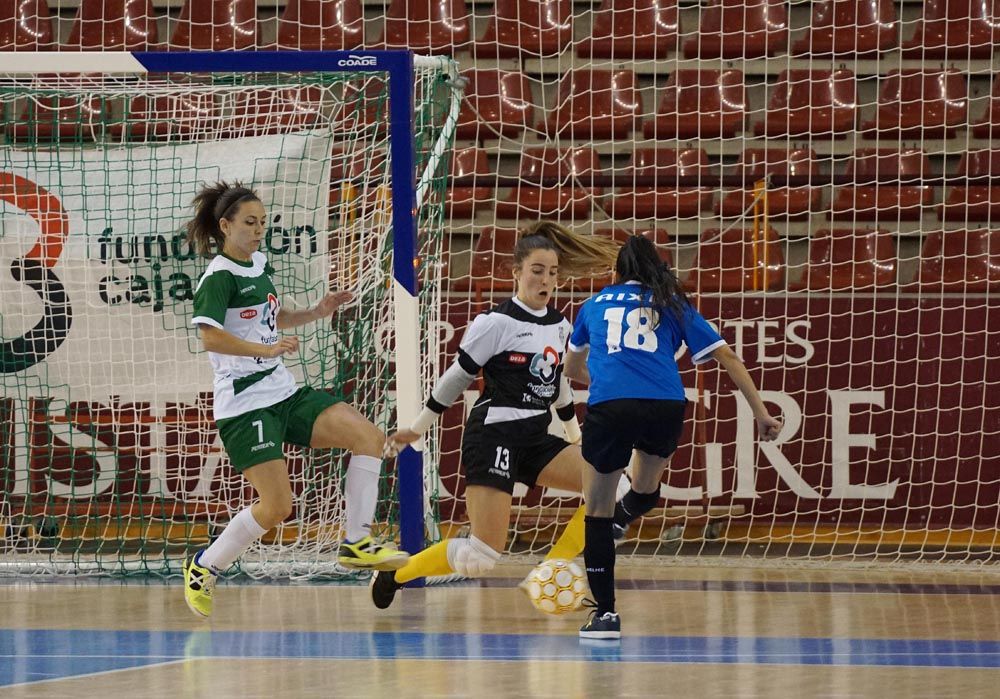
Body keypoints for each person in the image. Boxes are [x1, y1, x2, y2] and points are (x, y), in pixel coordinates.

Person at [182, 181, 407, 619]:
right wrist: (265, 350)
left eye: (263, 223)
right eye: (249, 223)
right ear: (225, 226)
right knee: (278, 507)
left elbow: (271, 315)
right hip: (246, 406)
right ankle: (205, 565)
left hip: (284, 391)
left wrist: (316, 312)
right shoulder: (219, 276)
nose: (258, 230)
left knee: (370, 437)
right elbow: (210, 334)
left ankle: (357, 541)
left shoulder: (258, 264)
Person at [370, 222, 622, 609]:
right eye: (537, 271)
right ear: (516, 272)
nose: (546, 280)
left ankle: (553, 568)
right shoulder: (495, 323)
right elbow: (456, 378)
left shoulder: (561, 326)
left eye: (552, 273)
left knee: (613, 489)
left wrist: (575, 438)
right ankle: (395, 573)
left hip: (537, 438)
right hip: (494, 437)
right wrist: (417, 429)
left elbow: (560, 389)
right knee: (480, 557)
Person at [564, 235, 783, 640]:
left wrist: (611, 380)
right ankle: (625, 517)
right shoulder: (671, 301)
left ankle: (606, 616)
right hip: (665, 405)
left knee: (595, 513)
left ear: (616, 273)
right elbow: (727, 356)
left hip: (611, 407)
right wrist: (761, 413)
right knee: (646, 492)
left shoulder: (593, 305)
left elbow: (571, 368)